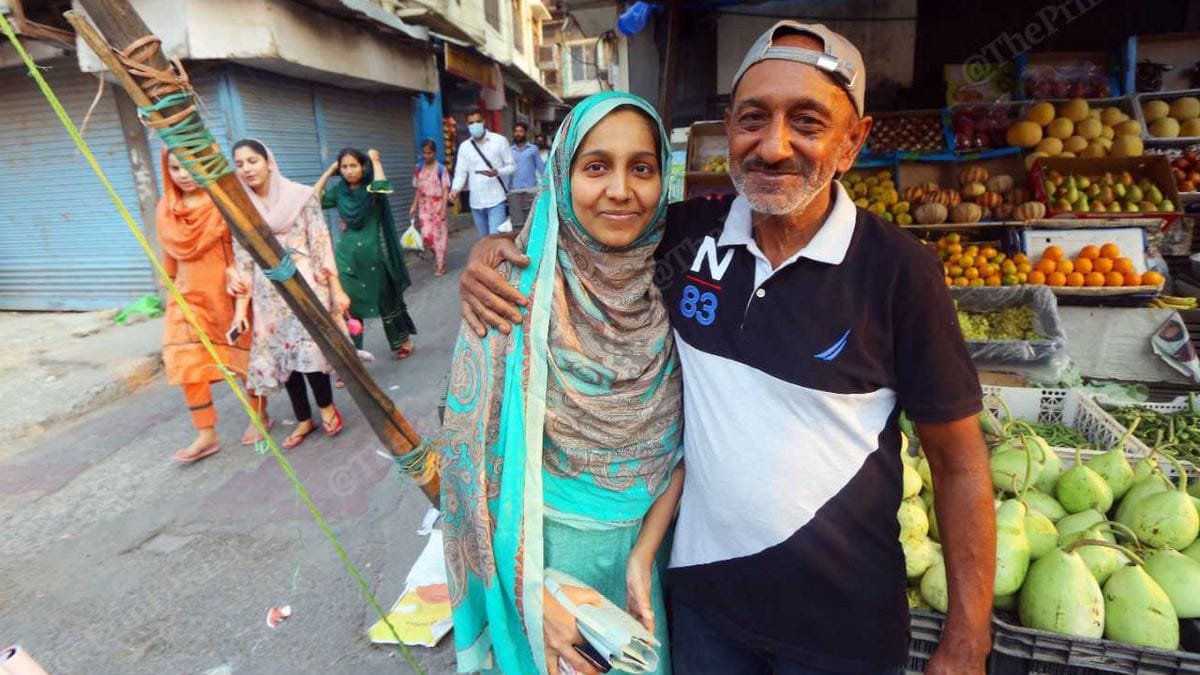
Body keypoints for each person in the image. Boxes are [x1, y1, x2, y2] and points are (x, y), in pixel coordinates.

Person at [459, 22, 995, 675]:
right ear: (728, 131)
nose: (773, 146)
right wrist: (492, 252)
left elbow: (961, 464)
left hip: (843, 627)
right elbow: (589, 228)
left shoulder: (900, 272)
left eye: (806, 120)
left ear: (853, 141)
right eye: (753, 118)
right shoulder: (682, 238)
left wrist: (968, 637)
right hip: (705, 615)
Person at [437, 92, 682, 675]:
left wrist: (644, 552)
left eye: (641, 168)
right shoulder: (512, 296)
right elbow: (469, 471)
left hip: (647, 565)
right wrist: (532, 594)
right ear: (560, 176)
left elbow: (686, 448)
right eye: (596, 167)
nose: (621, 190)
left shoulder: (674, 283)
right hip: (544, 575)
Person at [230, 139, 351, 451]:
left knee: (311, 351)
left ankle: (326, 408)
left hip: (305, 282)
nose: (246, 169)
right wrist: (241, 310)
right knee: (284, 357)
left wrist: (336, 288)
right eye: (240, 164)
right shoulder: (239, 209)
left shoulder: (302, 196)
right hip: (267, 292)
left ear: (269, 162)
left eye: (252, 161)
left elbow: (320, 241)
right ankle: (303, 419)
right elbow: (242, 258)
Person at [156, 149, 267, 463]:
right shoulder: (166, 207)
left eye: (191, 166)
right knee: (186, 364)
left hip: (227, 295)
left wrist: (239, 277)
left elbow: (243, 247)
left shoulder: (223, 200)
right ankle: (206, 433)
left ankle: (259, 416)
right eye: (176, 168)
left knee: (242, 359)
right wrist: (170, 286)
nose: (184, 174)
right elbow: (169, 255)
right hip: (187, 296)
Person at [315, 147, 418, 359]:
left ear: (363, 167)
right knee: (348, 306)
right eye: (344, 167)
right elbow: (312, 199)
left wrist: (376, 161)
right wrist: (328, 172)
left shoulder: (371, 190)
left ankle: (402, 341)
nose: (348, 171)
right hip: (346, 257)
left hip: (372, 255)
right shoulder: (339, 192)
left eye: (353, 165)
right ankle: (351, 358)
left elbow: (383, 187)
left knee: (386, 299)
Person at [449, 109, 514, 237]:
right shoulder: (464, 147)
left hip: (497, 199)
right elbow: (461, 173)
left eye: (478, 121)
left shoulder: (499, 141)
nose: (475, 125)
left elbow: (511, 166)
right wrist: (455, 189)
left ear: (484, 121)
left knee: (495, 239)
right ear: (467, 125)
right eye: (471, 123)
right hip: (476, 202)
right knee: (484, 242)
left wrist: (498, 172)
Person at [407, 139, 451, 275]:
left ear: (435, 153)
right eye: (424, 153)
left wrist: (444, 208)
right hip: (424, 207)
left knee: (439, 237)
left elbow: (445, 190)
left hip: (438, 206)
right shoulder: (418, 168)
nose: (426, 156)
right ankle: (436, 256)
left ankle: (440, 265)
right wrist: (414, 206)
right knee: (427, 237)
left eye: (429, 153)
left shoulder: (441, 169)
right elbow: (417, 190)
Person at [507, 121, 545, 229]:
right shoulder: (509, 151)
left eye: (521, 131)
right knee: (517, 224)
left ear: (525, 133)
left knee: (532, 224)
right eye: (516, 131)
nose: (518, 134)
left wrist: (546, 188)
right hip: (514, 191)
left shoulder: (533, 149)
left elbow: (541, 169)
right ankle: (518, 246)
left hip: (531, 190)